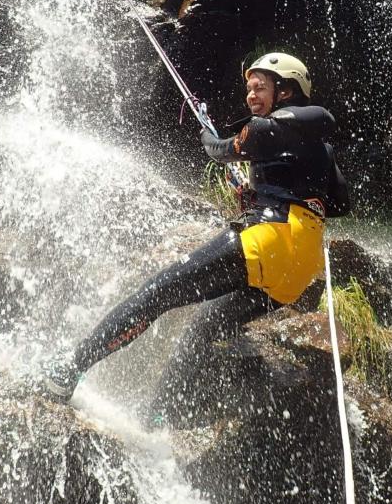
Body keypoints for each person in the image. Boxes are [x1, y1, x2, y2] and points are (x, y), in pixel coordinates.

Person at [42, 52, 351, 402]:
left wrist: (206, 133)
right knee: (206, 327)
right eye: (249, 89)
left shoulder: (267, 127)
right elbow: (340, 203)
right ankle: (159, 413)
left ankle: (68, 369)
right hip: (300, 268)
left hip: (269, 238)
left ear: (286, 91)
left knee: (156, 294)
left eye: (260, 88)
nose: (251, 96)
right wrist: (275, 192)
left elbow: (220, 151)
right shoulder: (322, 149)